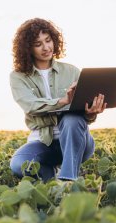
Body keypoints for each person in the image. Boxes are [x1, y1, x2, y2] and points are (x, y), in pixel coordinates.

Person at [9, 18, 106, 182]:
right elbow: (30, 105)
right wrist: (61, 101)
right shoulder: (18, 77)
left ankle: (68, 180)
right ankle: (50, 179)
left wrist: (91, 113)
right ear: (28, 48)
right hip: (43, 143)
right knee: (19, 164)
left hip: (77, 143)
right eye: (38, 44)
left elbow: (84, 114)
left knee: (72, 119)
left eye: (48, 40)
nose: (46, 47)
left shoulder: (72, 71)